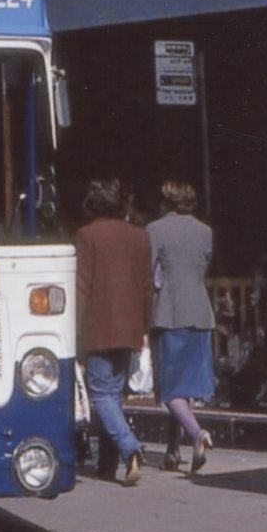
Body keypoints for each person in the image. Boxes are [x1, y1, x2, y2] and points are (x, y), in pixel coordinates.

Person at [75, 177, 153, 486]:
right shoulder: (140, 236)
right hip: (130, 324)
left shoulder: (86, 235)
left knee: (100, 394)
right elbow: (147, 287)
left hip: (97, 323)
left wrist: (74, 330)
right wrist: (144, 326)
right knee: (114, 396)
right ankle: (107, 465)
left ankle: (129, 447)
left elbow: (83, 286)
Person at [147, 179, 217, 473]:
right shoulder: (205, 232)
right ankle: (173, 451)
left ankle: (197, 434)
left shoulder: (155, 229)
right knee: (183, 388)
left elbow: (149, 273)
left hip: (170, 312)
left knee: (168, 388)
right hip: (200, 312)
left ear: (167, 201)